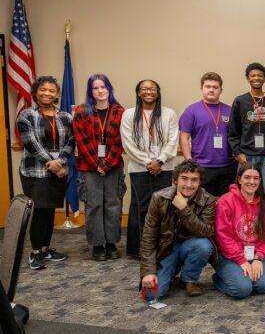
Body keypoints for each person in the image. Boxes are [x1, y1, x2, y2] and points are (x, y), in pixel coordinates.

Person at [17, 76, 73, 270]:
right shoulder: (26, 116)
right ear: (36, 92)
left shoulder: (66, 117)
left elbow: (71, 142)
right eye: (43, 90)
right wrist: (53, 164)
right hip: (35, 172)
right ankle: (35, 252)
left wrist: (61, 161)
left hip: (57, 171)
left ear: (57, 94)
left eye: (51, 90)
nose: (47, 93)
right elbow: (31, 143)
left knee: (50, 211)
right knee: (39, 211)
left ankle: (46, 249)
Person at [139, 160, 217, 298]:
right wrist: (148, 272)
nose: (189, 184)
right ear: (175, 180)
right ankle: (169, 274)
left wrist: (184, 209)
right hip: (166, 250)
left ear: (199, 183)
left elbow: (205, 231)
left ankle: (188, 279)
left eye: (194, 180)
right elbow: (148, 236)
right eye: (184, 179)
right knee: (152, 295)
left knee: (204, 245)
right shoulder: (159, 198)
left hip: (190, 246)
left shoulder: (208, 200)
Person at [121, 79, 179, 259]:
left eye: (152, 88)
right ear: (138, 93)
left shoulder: (169, 113)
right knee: (141, 206)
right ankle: (140, 248)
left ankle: (161, 246)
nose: (148, 91)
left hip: (164, 168)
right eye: (144, 89)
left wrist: (159, 161)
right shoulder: (129, 114)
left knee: (163, 207)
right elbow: (128, 143)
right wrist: (148, 162)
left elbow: (173, 139)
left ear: (158, 92)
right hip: (139, 169)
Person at [72, 74, 125, 261]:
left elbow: (120, 141)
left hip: (114, 166)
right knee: (94, 206)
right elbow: (82, 142)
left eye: (103, 87)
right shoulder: (81, 112)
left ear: (109, 88)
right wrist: (97, 164)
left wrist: (108, 164)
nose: (100, 91)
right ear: (90, 91)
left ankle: (111, 243)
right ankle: (97, 244)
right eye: (95, 88)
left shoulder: (120, 112)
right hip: (89, 167)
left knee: (113, 205)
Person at [213, 162, 265, 299]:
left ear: (260, 181)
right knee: (242, 290)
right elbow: (223, 237)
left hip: (256, 252)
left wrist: (259, 258)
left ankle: (237, 276)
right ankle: (218, 278)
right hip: (231, 254)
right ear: (239, 179)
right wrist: (241, 260)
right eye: (247, 177)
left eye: (256, 178)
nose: (251, 182)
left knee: (264, 286)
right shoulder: (226, 201)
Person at [179, 72, 237, 197]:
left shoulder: (230, 110)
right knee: (202, 205)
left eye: (215, 87)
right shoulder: (191, 111)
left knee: (224, 205)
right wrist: (190, 162)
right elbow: (184, 137)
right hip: (202, 167)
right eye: (208, 86)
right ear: (201, 89)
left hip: (228, 166)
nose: (211, 90)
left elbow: (237, 136)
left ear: (221, 90)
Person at [229, 62, 265, 200]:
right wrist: (238, 154)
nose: (256, 78)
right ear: (247, 78)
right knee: (244, 195)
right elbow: (233, 131)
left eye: (260, 75)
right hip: (246, 157)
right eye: (253, 75)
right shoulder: (240, 101)